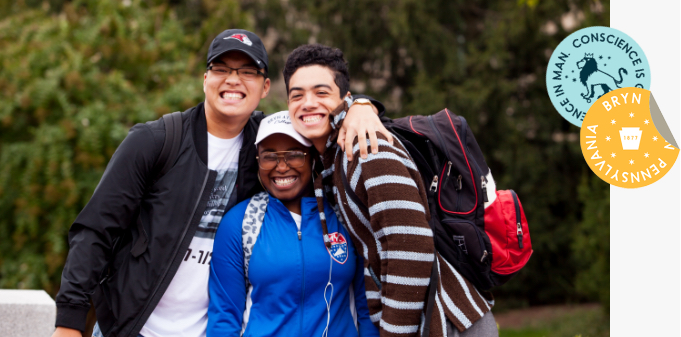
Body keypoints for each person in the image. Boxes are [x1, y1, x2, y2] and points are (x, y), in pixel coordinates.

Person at [52, 30, 389, 337]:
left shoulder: (267, 145)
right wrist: (69, 322)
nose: (233, 80)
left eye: (247, 71)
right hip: (132, 328)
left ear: (265, 87)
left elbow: (319, 120)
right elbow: (95, 231)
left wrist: (361, 105)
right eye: (222, 69)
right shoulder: (155, 142)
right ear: (205, 79)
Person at [285, 44, 499, 337]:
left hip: (446, 321)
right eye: (297, 95)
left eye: (321, 93)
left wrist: (395, 333)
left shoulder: (366, 146)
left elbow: (411, 245)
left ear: (344, 99)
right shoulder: (334, 158)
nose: (307, 103)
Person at [206, 111, 379, 337]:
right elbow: (224, 316)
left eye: (294, 154)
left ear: (313, 158)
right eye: (269, 156)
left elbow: (367, 309)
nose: (281, 166)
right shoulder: (239, 222)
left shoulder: (344, 214)